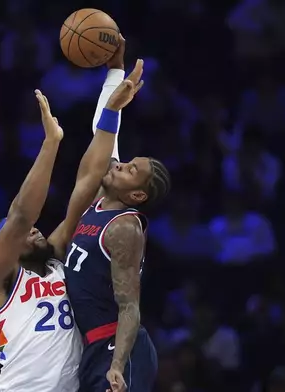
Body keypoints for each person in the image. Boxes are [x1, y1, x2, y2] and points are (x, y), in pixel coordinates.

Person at [0, 36, 146, 392]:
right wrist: (50, 143)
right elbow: (21, 215)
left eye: (31, 229)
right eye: (13, 236)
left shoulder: (56, 258)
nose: (32, 230)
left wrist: (113, 91)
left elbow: (90, 179)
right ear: (1, 247)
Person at [64, 103, 171, 391]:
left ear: (137, 194)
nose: (121, 164)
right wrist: (114, 79)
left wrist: (117, 365)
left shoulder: (124, 227)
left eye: (130, 170)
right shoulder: (98, 203)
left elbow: (129, 307)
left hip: (117, 348)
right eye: (127, 161)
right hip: (93, 345)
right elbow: (105, 138)